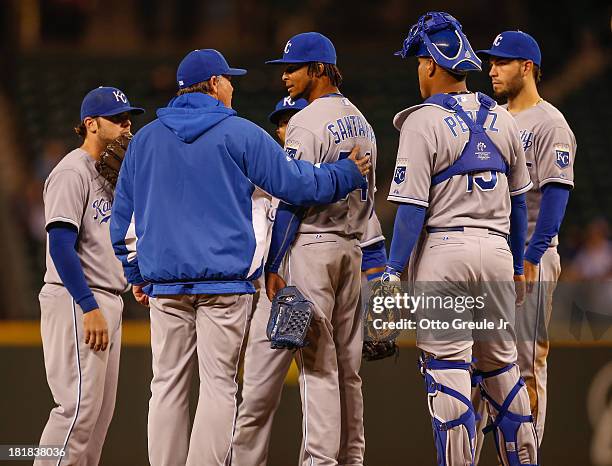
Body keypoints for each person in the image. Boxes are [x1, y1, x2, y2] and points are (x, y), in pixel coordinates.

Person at [109, 48, 370, 466]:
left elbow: (123, 221)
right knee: (218, 386)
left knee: (167, 384)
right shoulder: (241, 133)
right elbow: (297, 184)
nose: (232, 86)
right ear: (213, 83)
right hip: (225, 286)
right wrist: (345, 174)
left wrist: (135, 271)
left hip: (165, 285)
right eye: (228, 79)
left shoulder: (144, 140)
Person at [384, 12, 539, 465]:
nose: (418, 70)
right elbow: (519, 205)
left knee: (449, 382)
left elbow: (411, 208)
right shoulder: (503, 119)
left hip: (445, 252)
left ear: (432, 65)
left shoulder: (420, 122)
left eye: (418, 62)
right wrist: (514, 265)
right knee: (503, 377)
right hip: (494, 252)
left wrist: (392, 273)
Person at [232, 96, 387, 466]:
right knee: (255, 397)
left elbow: (373, 243)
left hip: (308, 280)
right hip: (270, 298)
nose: (283, 128)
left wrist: (384, 302)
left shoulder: (329, 188)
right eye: (281, 121)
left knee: (332, 376)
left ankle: (342, 459)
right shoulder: (260, 182)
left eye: (291, 119)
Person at [263, 32, 378, 466]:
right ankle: (351, 458)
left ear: (318, 70)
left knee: (317, 366)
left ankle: (319, 461)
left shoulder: (306, 122)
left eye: (292, 68)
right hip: (353, 247)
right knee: (350, 370)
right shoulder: (363, 121)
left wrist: (275, 262)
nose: (285, 77)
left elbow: (293, 196)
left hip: (313, 245)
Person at [476, 30, 576, 448]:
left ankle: (525, 452)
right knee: (483, 362)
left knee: (526, 362)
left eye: (501, 61)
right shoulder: (492, 118)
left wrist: (533, 256)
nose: (492, 69)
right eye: (491, 61)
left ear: (527, 67)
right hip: (495, 253)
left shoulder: (550, 122)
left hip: (532, 254)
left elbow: (556, 193)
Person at [36, 86, 143, 465]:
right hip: (76, 298)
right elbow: (61, 247)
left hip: (107, 298)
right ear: (90, 124)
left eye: (129, 118)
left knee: (97, 419)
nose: (126, 125)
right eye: (117, 119)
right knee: (76, 411)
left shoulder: (114, 177)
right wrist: (88, 305)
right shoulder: (71, 171)